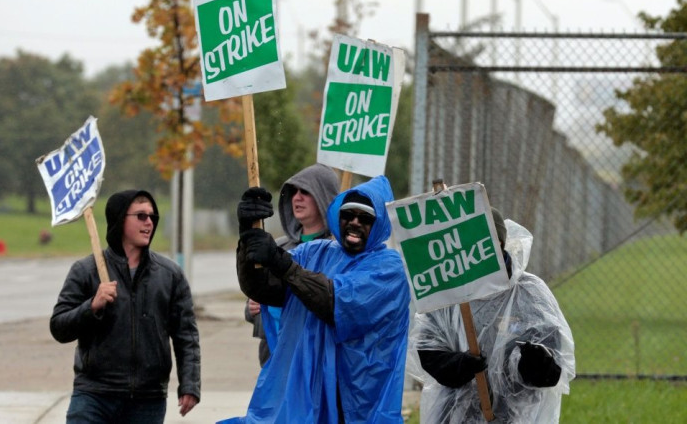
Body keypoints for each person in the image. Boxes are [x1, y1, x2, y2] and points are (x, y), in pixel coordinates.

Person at [229, 175, 410, 423]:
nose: (355, 222)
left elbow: (336, 302)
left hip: (356, 402)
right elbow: (262, 288)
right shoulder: (315, 252)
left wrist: (282, 264)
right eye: (348, 214)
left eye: (365, 217)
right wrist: (248, 235)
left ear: (379, 223)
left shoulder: (389, 269)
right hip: (307, 399)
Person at [408, 208, 576, 423]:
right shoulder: (449, 294)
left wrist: (529, 365)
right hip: (455, 414)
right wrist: (460, 365)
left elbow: (553, 367)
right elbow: (427, 349)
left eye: (487, 241)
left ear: (501, 243)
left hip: (515, 415)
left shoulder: (530, 293)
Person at [50, 190, 200, 423]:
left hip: (148, 400)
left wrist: (189, 384)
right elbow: (59, 327)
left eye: (152, 216)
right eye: (140, 215)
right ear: (120, 220)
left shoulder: (169, 275)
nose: (149, 221)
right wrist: (93, 306)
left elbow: (186, 335)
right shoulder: (86, 270)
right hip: (93, 395)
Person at [241, 163, 340, 367]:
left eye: (305, 191)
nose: (297, 197)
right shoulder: (276, 247)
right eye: (293, 191)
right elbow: (255, 299)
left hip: (317, 361)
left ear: (324, 197)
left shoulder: (338, 253)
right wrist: (251, 308)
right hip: (274, 361)